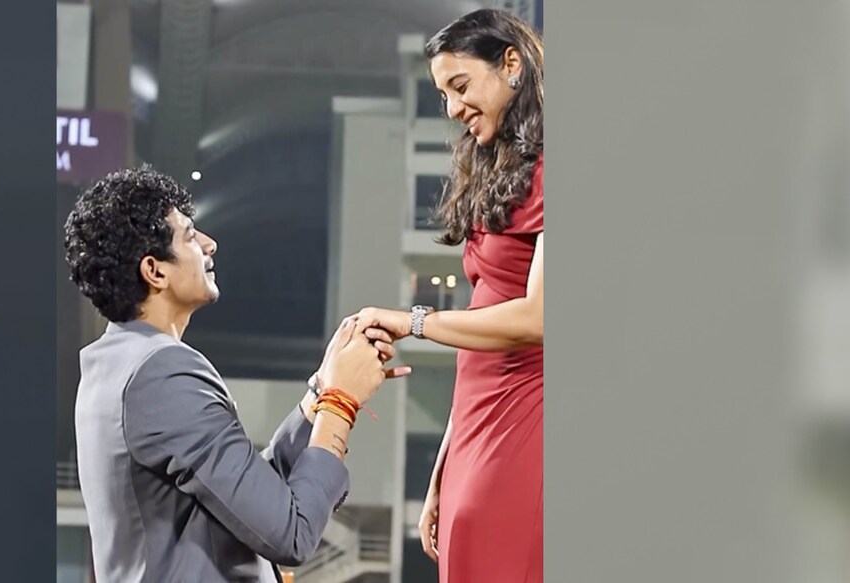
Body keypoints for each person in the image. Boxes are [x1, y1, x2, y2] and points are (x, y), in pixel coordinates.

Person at [62, 165, 411, 583]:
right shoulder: (161, 373)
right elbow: (291, 533)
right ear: (155, 271)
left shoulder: (119, 364)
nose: (209, 244)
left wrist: (320, 391)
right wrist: (340, 402)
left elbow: (242, 497)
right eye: (189, 236)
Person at [352, 9, 544, 582]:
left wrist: (414, 322)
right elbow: (481, 337)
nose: (454, 108)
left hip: (527, 414)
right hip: (477, 424)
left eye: (460, 86)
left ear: (511, 64)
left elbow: (539, 318)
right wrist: (444, 466)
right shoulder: (500, 168)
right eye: (443, 95)